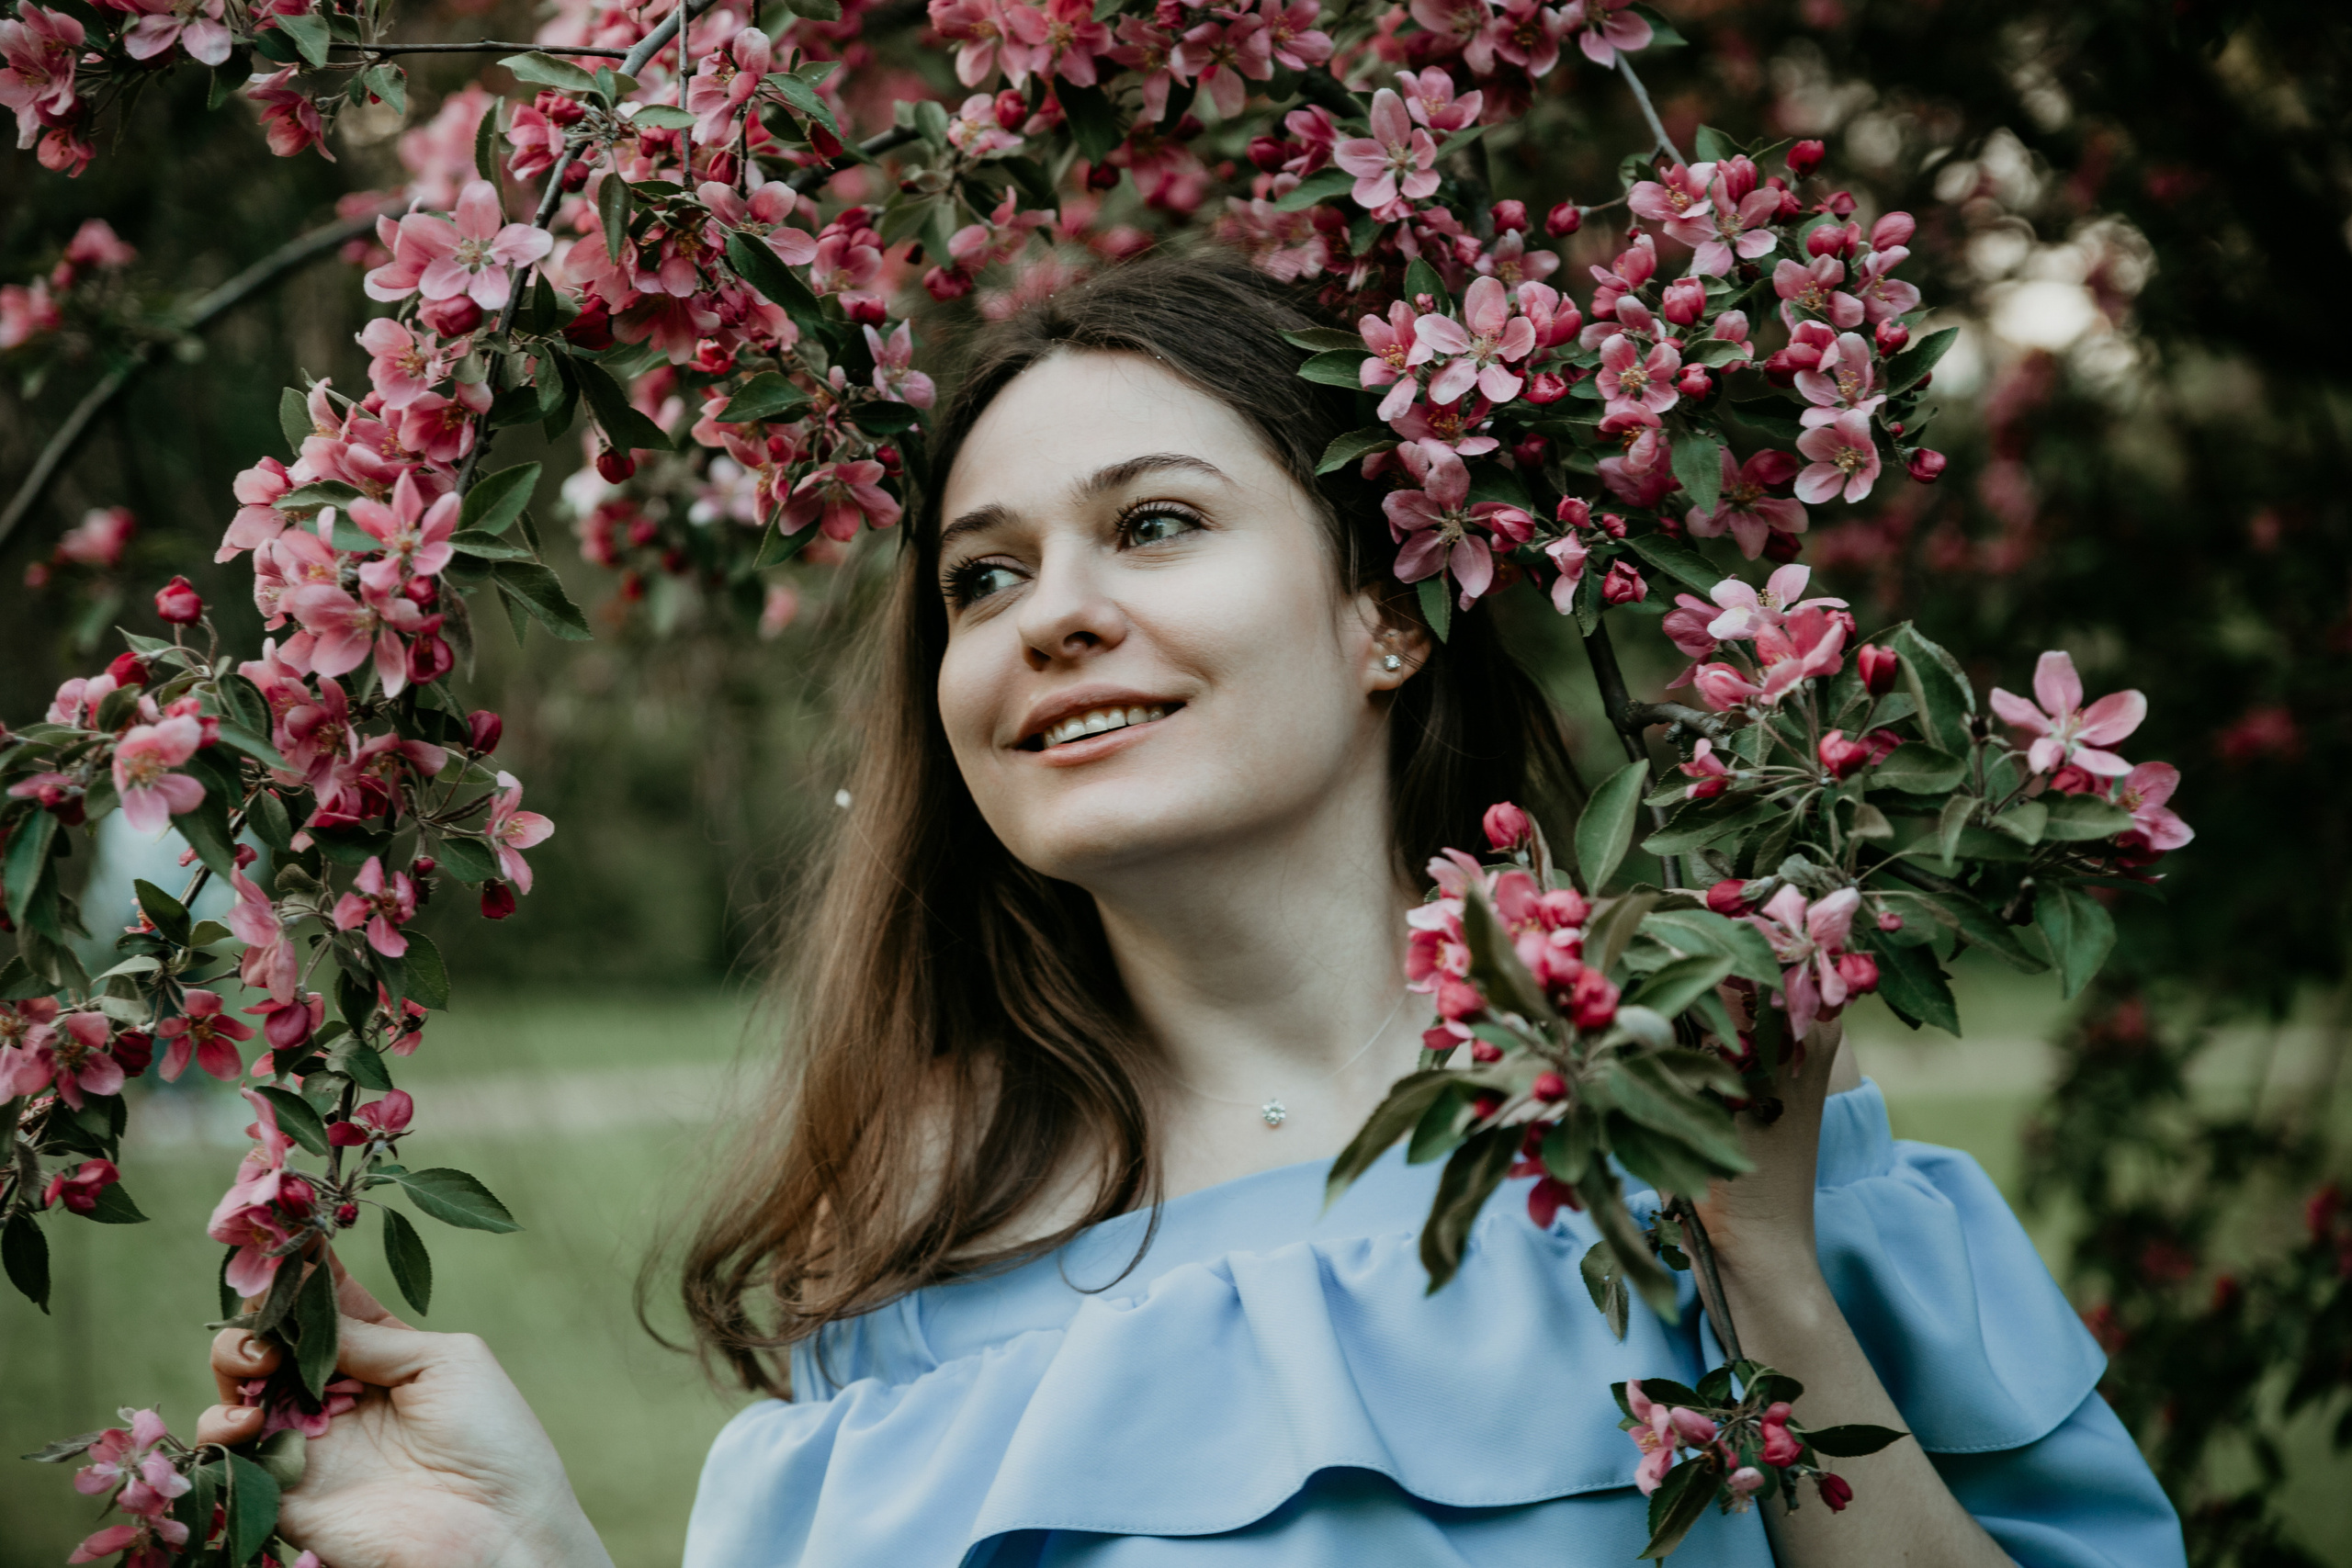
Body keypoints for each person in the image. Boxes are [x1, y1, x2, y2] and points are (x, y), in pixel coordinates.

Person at [197, 252, 2186, 1568]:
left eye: (1152, 523)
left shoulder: (1726, 1131)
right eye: (979, 577)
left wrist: (1760, 1264)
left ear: (1386, 599)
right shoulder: (918, 1318)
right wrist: (532, 1552)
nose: (1049, 610)